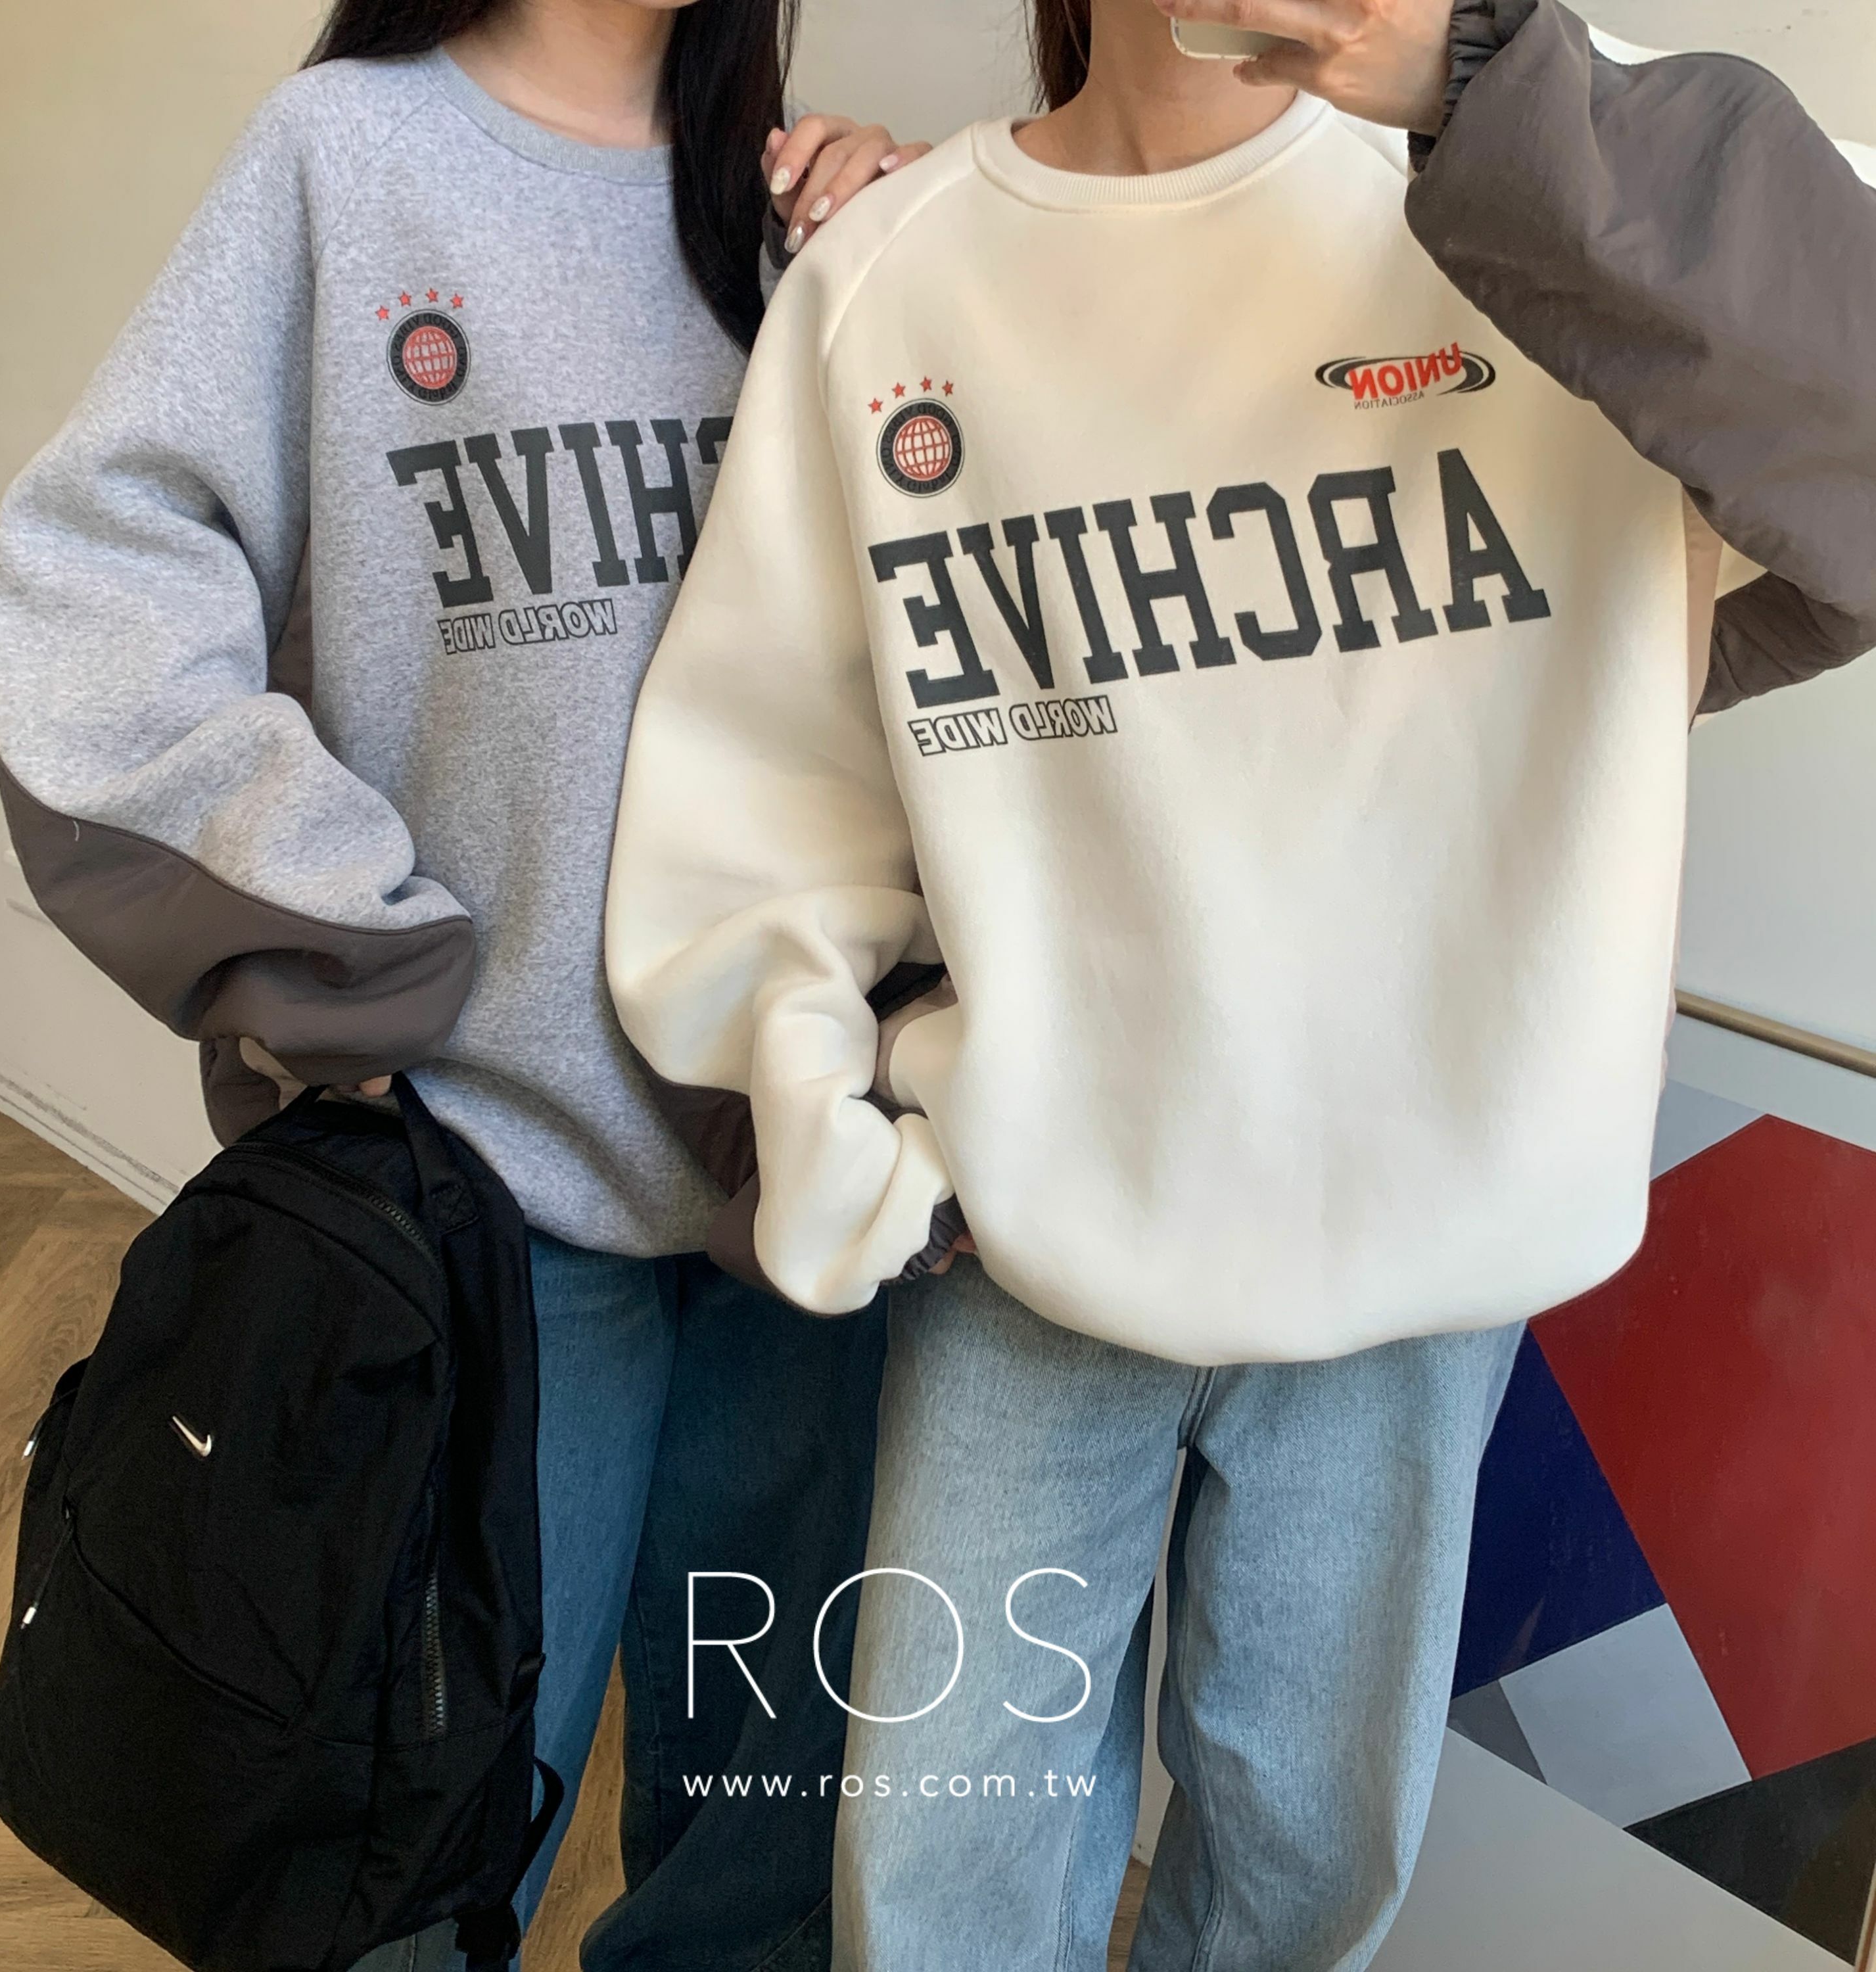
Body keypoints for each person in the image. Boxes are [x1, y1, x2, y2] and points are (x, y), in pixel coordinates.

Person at [601, 0, 1876, 1965]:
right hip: (1029, 1244)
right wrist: (820, 1120)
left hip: (1416, 1248)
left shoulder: (1547, 191)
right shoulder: (893, 281)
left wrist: (1475, 81)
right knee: (938, 1885)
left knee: (1301, 1869)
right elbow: (772, 789)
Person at [0, 2, 929, 1967]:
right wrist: (350, 948)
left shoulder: (803, 213)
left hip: (807, 1197)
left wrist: (928, 264)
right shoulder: (347, 161)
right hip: (489, 1212)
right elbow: (99, 576)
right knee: (413, 1844)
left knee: (765, 1850)